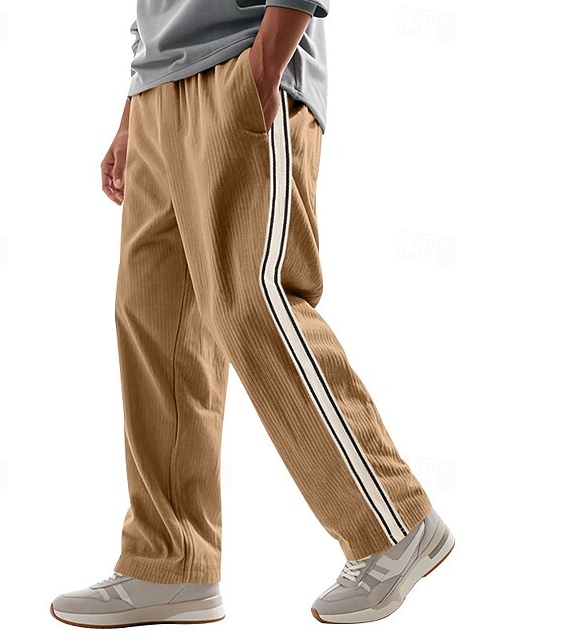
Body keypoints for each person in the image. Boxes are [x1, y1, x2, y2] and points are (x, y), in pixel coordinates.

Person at [50, 0, 454, 627]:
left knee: (254, 302)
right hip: (158, 88)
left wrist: (265, 67)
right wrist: (134, 106)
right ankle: (170, 564)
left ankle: (392, 523)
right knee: (154, 319)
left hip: (244, 59)